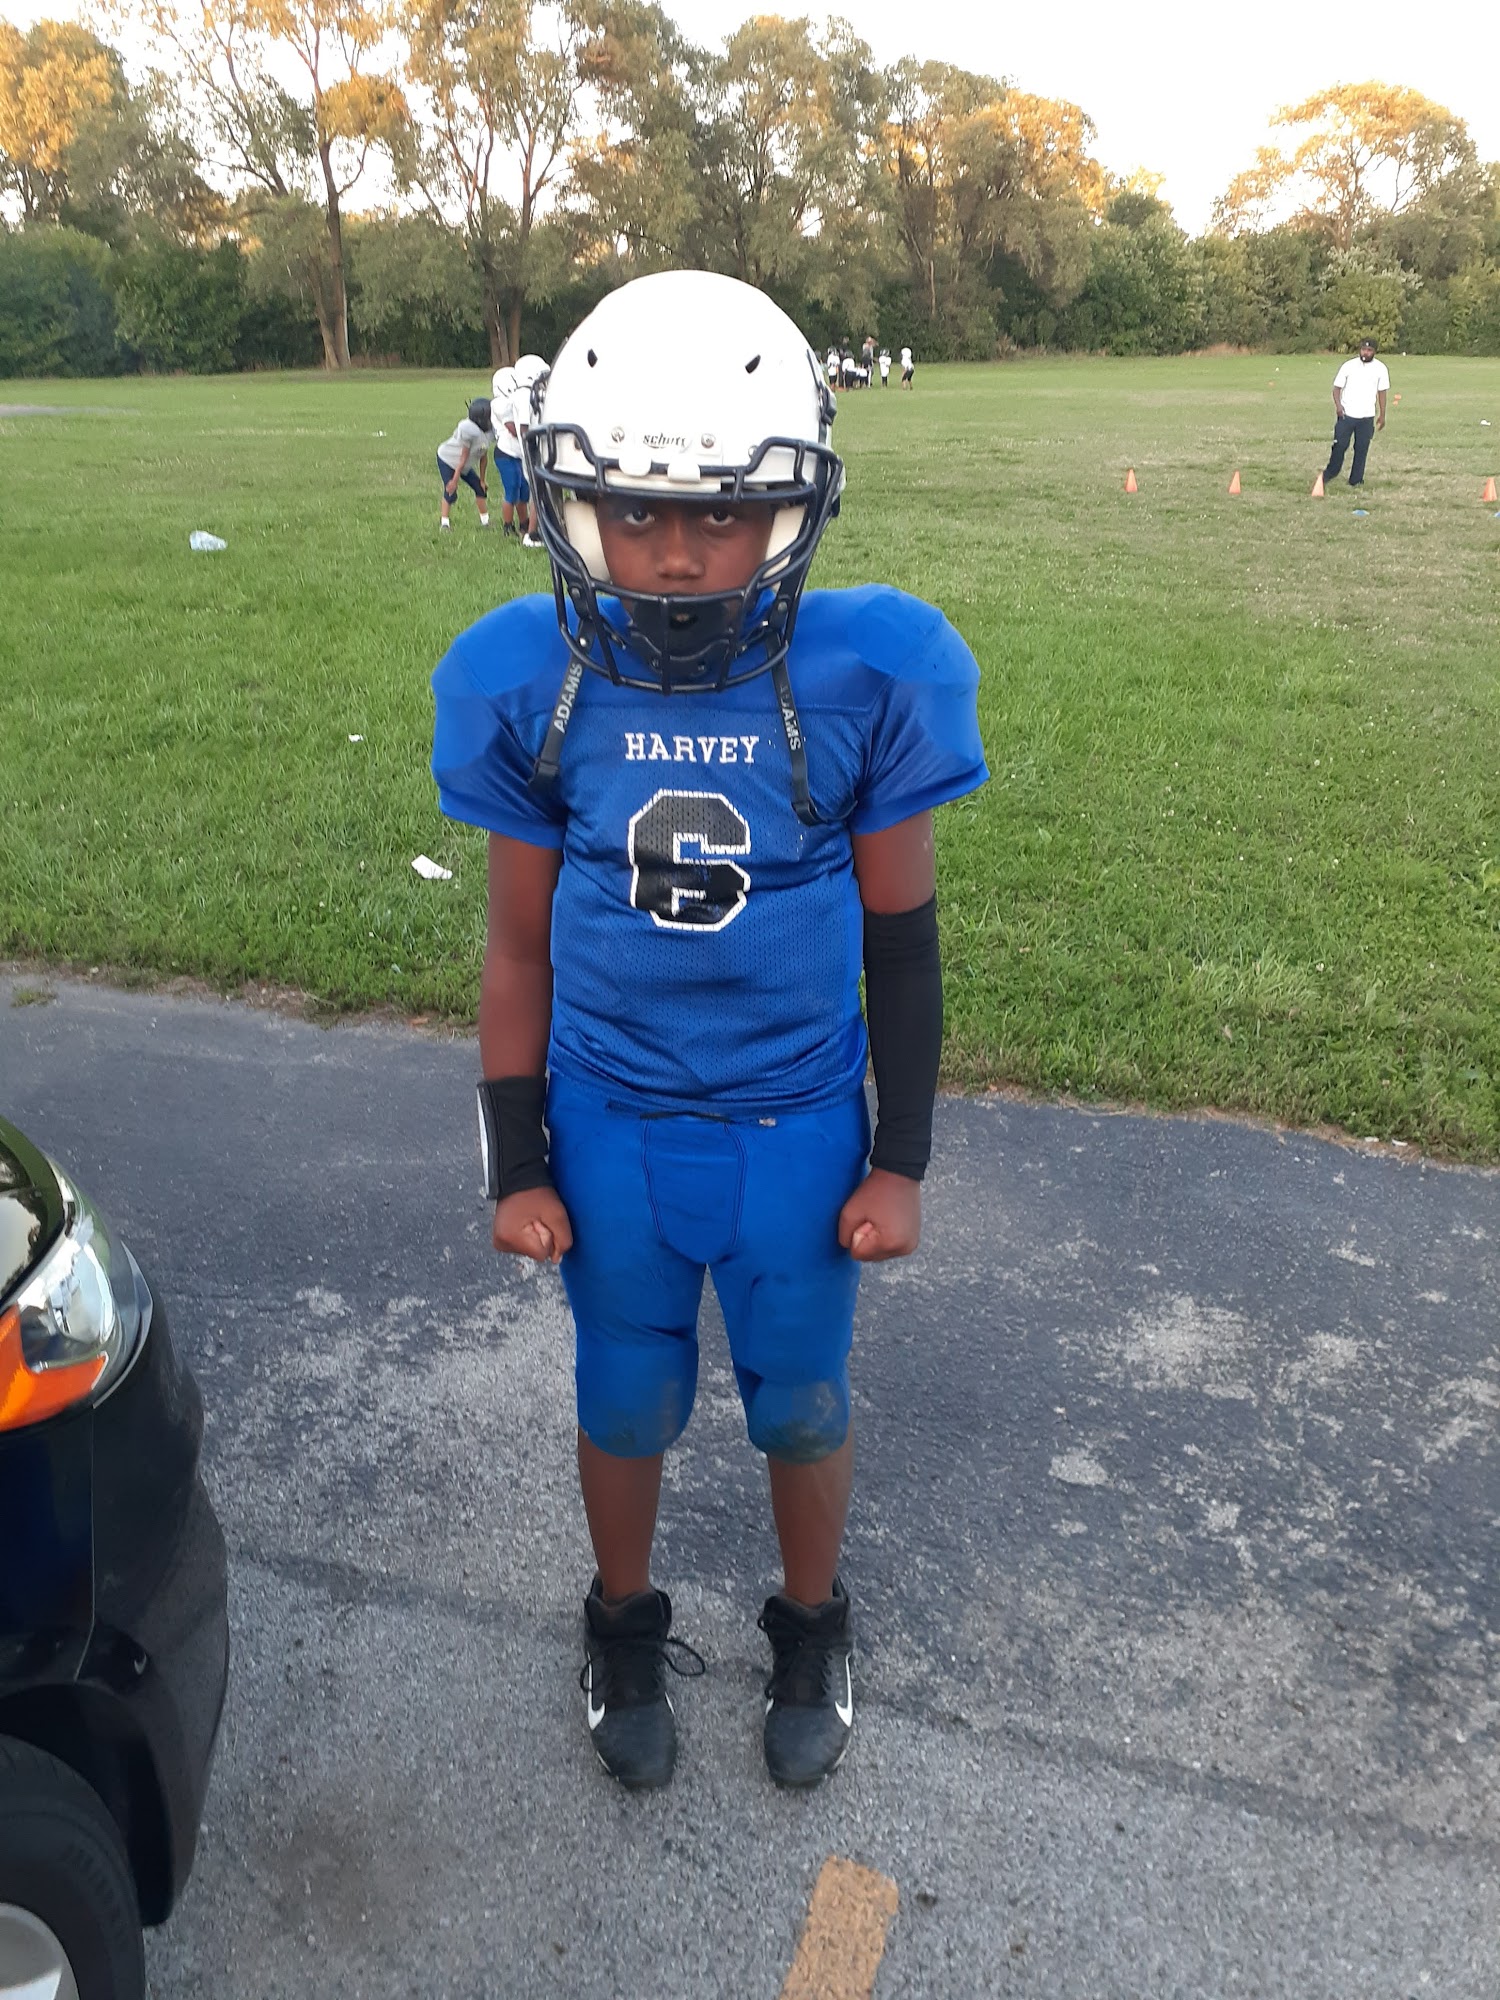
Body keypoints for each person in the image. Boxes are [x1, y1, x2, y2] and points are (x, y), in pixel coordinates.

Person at [430, 270, 987, 1794]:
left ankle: (813, 1623)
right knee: (625, 1394)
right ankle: (622, 1622)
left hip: (798, 1125)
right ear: (572, 503)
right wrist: (516, 1161)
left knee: (801, 1399)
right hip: (611, 1119)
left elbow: (901, 939)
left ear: (791, 509)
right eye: (639, 512)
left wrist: (903, 1159)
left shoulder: (864, 675)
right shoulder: (535, 685)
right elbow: (516, 948)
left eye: (724, 515)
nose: (678, 553)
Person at [493, 354, 548, 544]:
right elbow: (523, 427)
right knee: (533, 491)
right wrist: (533, 444)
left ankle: (533, 528)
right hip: (526, 450)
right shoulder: (521, 396)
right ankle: (530, 533)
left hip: (528, 449)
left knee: (534, 491)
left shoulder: (525, 394)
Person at [1322, 337, 1390, 488]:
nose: (1365, 353)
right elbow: (1337, 388)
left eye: (1369, 350)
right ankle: (1330, 473)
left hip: (1366, 416)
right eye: (1363, 349)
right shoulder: (1349, 366)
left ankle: (1356, 480)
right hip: (1346, 415)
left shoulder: (1380, 369)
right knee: (1340, 446)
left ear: (1374, 352)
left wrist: (1382, 415)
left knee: (1361, 449)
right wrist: (1338, 406)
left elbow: (1382, 392)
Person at [436, 397, 494, 531]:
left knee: (480, 489)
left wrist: (482, 480)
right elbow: (463, 457)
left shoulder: (488, 433)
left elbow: (483, 456)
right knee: (450, 491)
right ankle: (444, 524)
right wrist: (454, 480)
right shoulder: (469, 430)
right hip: (448, 459)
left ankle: (485, 522)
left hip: (463, 464)